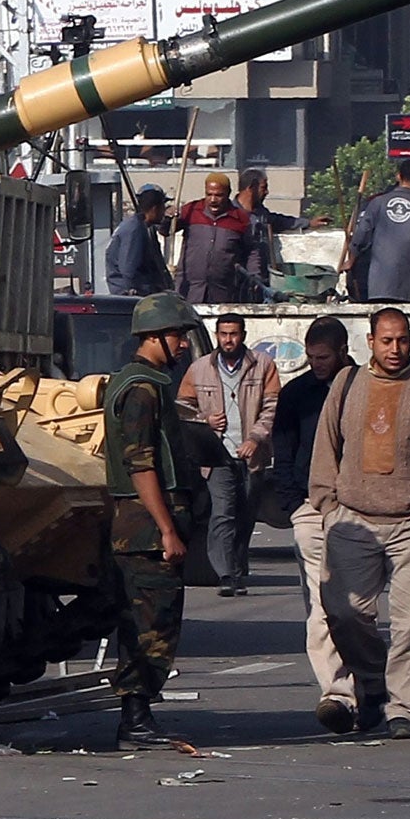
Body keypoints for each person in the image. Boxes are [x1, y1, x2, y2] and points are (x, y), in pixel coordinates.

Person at [309, 307, 410, 738]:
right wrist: (327, 505)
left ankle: (403, 709)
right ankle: (373, 682)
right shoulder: (346, 384)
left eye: (402, 341)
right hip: (353, 520)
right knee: (343, 612)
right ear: (370, 343)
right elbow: (326, 447)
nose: (395, 349)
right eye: (386, 341)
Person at [103, 292, 202, 751]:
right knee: (151, 625)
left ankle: (138, 717)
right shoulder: (141, 389)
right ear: (155, 335)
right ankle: (135, 720)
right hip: (144, 529)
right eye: (178, 335)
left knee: (148, 620)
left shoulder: (144, 382)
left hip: (145, 526)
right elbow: (141, 464)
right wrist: (166, 529)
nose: (183, 344)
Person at [270, 315, 359, 732]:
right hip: (309, 509)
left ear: (343, 350)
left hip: (361, 509)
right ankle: (337, 693)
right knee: (321, 603)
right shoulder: (296, 394)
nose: (317, 364)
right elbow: (282, 450)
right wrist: (292, 504)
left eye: (323, 357)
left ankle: (372, 686)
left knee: (358, 605)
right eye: (310, 357)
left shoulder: (366, 387)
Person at [177, 313, 279, 597]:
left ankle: (236, 565)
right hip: (215, 455)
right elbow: (182, 407)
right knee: (223, 512)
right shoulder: (199, 369)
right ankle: (225, 574)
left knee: (245, 515)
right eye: (223, 334)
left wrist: (255, 438)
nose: (228, 340)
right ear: (217, 335)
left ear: (243, 335)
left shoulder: (263, 366)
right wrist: (205, 421)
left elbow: (271, 407)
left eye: (233, 334)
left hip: (251, 456)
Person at [341, 160, 410, 312]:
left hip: (377, 287)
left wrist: (351, 261)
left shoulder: (376, 204)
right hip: (408, 289)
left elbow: (360, 237)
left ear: (398, 176)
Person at [175, 172, 263, 303]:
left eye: (218, 195)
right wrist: (169, 217)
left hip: (224, 291)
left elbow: (252, 250)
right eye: (209, 194)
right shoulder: (191, 211)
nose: (213, 200)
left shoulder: (240, 219)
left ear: (228, 194)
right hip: (190, 289)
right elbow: (165, 231)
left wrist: (255, 276)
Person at [104, 186, 172, 296]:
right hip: (130, 295)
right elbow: (128, 269)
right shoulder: (134, 229)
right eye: (162, 207)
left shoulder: (144, 228)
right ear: (154, 209)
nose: (164, 212)